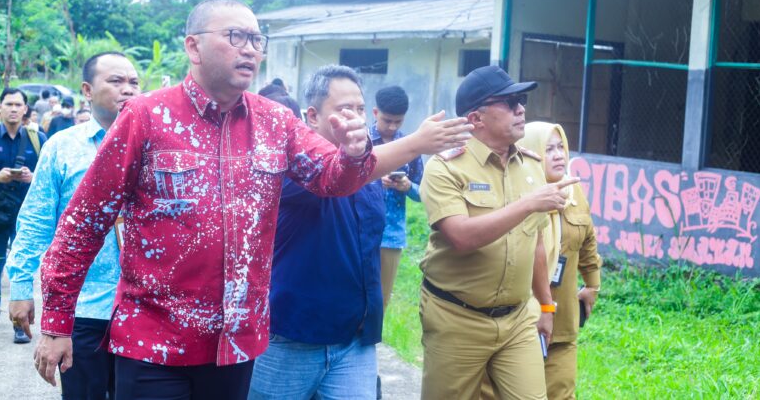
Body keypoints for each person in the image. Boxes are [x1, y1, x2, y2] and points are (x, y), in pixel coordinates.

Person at [33, 0, 375, 400]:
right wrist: (56, 322)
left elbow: (331, 179)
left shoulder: (276, 121)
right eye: (236, 36)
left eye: (256, 40)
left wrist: (354, 155)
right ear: (193, 47)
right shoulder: (146, 116)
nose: (250, 49)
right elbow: (83, 222)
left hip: (235, 343)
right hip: (154, 342)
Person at [248, 66, 471, 399]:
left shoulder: (371, 173)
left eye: (360, 108)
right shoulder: (291, 166)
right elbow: (337, 175)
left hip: (354, 340)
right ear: (313, 116)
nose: (354, 117)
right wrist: (416, 143)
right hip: (291, 338)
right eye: (343, 109)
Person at [417, 65, 580, 400]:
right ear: (476, 118)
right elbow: (461, 236)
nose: (521, 109)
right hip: (456, 317)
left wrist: (546, 306)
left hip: (517, 320)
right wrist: (528, 203)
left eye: (522, 101)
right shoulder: (445, 167)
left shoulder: (531, 165)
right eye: (509, 102)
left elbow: (535, 242)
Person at [7, 52, 140, 396]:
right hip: (84, 308)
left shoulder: (157, 146)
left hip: (144, 311)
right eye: (116, 81)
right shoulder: (63, 148)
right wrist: (21, 287)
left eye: (134, 82)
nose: (128, 89)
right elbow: (36, 220)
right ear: (87, 90)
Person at [518, 122, 602, 400]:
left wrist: (592, 285)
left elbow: (587, 240)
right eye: (548, 149)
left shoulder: (573, 192)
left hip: (563, 319)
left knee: (562, 394)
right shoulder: (517, 195)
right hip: (522, 321)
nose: (558, 155)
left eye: (561, 147)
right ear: (530, 153)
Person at [0, 88, 46, 335]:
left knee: (22, 266)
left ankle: (20, 323)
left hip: (27, 215)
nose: (13, 109)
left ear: (25, 109)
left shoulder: (37, 139)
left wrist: (32, 177)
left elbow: (50, 177)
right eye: (8, 104)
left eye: (18, 105)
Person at [370, 86, 423, 310]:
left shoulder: (411, 147)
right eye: (387, 120)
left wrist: (408, 186)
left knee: (381, 300)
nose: (392, 126)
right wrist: (374, 180)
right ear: (375, 113)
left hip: (391, 235)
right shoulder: (361, 141)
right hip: (357, 230)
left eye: (398, 122)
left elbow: (423, 192)